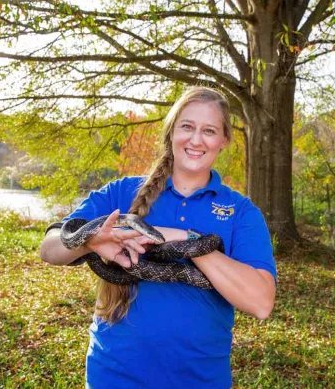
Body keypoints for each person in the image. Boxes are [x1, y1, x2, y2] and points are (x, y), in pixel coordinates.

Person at [39, 86, 277, 388]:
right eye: (187, 127)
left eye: (209, 130)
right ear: (171, 132)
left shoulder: (240, 212)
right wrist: (89, 241)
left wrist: (186, 241)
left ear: (224, 140)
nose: (195, 139)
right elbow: (49, 248)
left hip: (200, 380)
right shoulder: (122, 192)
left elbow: (261, 303)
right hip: (113, 377)